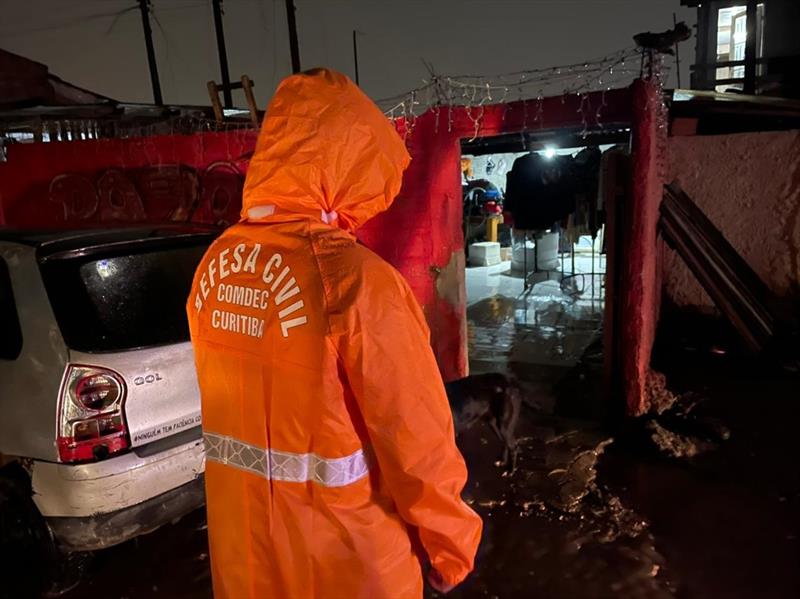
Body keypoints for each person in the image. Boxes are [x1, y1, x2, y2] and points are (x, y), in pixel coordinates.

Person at [187, 68, 482, 599]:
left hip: (247, 564)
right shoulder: (354, 280)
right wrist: (451, 551)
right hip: (349, 567)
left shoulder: (216, 264)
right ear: (344, 165)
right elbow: (417, 442)